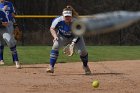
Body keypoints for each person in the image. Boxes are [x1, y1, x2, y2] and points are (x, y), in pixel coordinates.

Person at [46, 5, 91, 75]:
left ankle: (85, 66)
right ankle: (51, 66)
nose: (67, 17)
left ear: (71, 16)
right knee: (55, 45)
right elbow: (52, 28)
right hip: (62, 36)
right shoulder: (58, 20)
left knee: (83, 52)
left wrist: (73, 42)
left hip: (75, 36)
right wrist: (55, 37)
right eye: (65, 16)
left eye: (69, 16)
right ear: (62, 15)